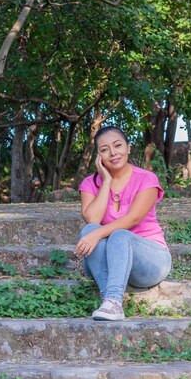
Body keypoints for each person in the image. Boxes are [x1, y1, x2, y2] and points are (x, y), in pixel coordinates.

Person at [75, 126, 172, 321]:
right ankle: (110, 301)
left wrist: (97, 234)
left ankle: (112, 300)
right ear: (98, 156)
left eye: (117, 145)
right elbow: (93, 219)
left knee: (119, 235)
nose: (112, 153)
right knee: (90, 229)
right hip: (111, 264)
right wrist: (106, 181)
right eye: (104, 149)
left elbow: (133, 219)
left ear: (128, 148)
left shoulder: (147, 179)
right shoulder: (89, 183)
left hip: (149, 262)